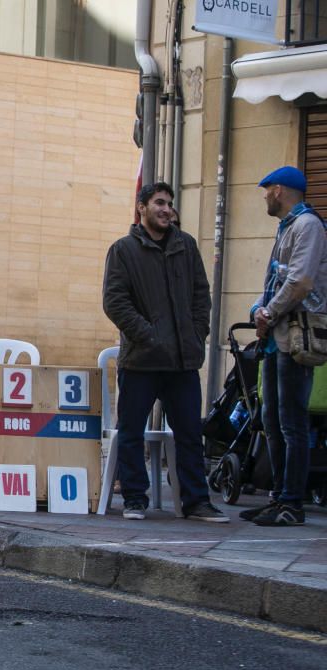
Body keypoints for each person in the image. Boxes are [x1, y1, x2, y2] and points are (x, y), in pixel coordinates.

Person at [102, 182, 228, 522]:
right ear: (142, 207)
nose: (166, 209)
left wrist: (196, 333)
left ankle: (196, 502)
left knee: (189, 433)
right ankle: (134, 499)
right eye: (159, 202)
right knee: (131, 432)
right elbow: (115, 302)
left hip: (183, 362)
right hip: (141, 360)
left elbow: (202, 296)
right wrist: (150, 336)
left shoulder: (186, 246)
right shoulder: (124, 250)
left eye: (169, 204)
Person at [245, 166, 327, 527]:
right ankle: (278, 497)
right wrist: (260, 310)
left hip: (294, 337)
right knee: (273, 421)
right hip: (277, 338)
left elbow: (300, 282)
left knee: (292, 423)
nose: (264, 197)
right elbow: (280, 279)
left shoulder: (308, 225)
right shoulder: (288, 227)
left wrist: (268, 312)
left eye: (266, 191)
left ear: (279, 190)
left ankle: (292, 504)